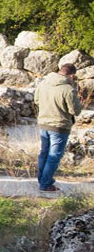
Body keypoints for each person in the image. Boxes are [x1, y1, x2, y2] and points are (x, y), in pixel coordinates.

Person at [34, 63, 82, 192]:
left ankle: (42, 180)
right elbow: (75, 110)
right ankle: (45, 184)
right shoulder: (68, 89)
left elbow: (36, 101)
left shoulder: (43, 83)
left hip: (43, 123)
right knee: (54, 156)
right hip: (60, 126)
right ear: (71, 75)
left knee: (44, 153)